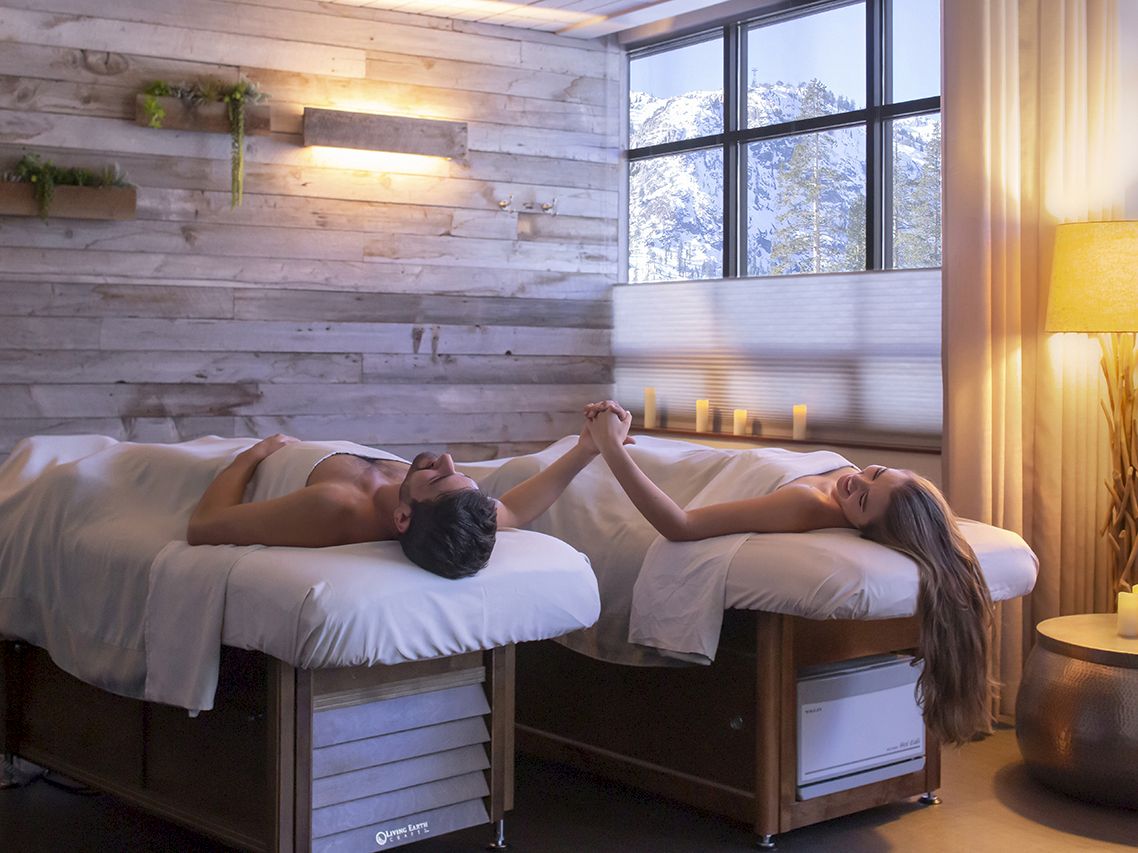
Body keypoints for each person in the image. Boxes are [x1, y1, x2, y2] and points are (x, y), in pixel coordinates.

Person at [583, 400, 994, 746]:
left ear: (864, 529)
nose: (857, 480)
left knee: (563, 474)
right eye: (876, 473)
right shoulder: (847, 485)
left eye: (864, 501)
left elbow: (681, 526)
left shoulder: (808, 505)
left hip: (664, 473)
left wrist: (609, 446)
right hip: (682, 457)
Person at [187, 414, 624, 579]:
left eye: (437, 478)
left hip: (222, 465)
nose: (448, 460)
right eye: (460, 475)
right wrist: (587, 448)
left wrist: (254, 454)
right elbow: (513, 509)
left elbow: (203, 526)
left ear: (402, 519)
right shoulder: (448, 510)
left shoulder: (335, 507)